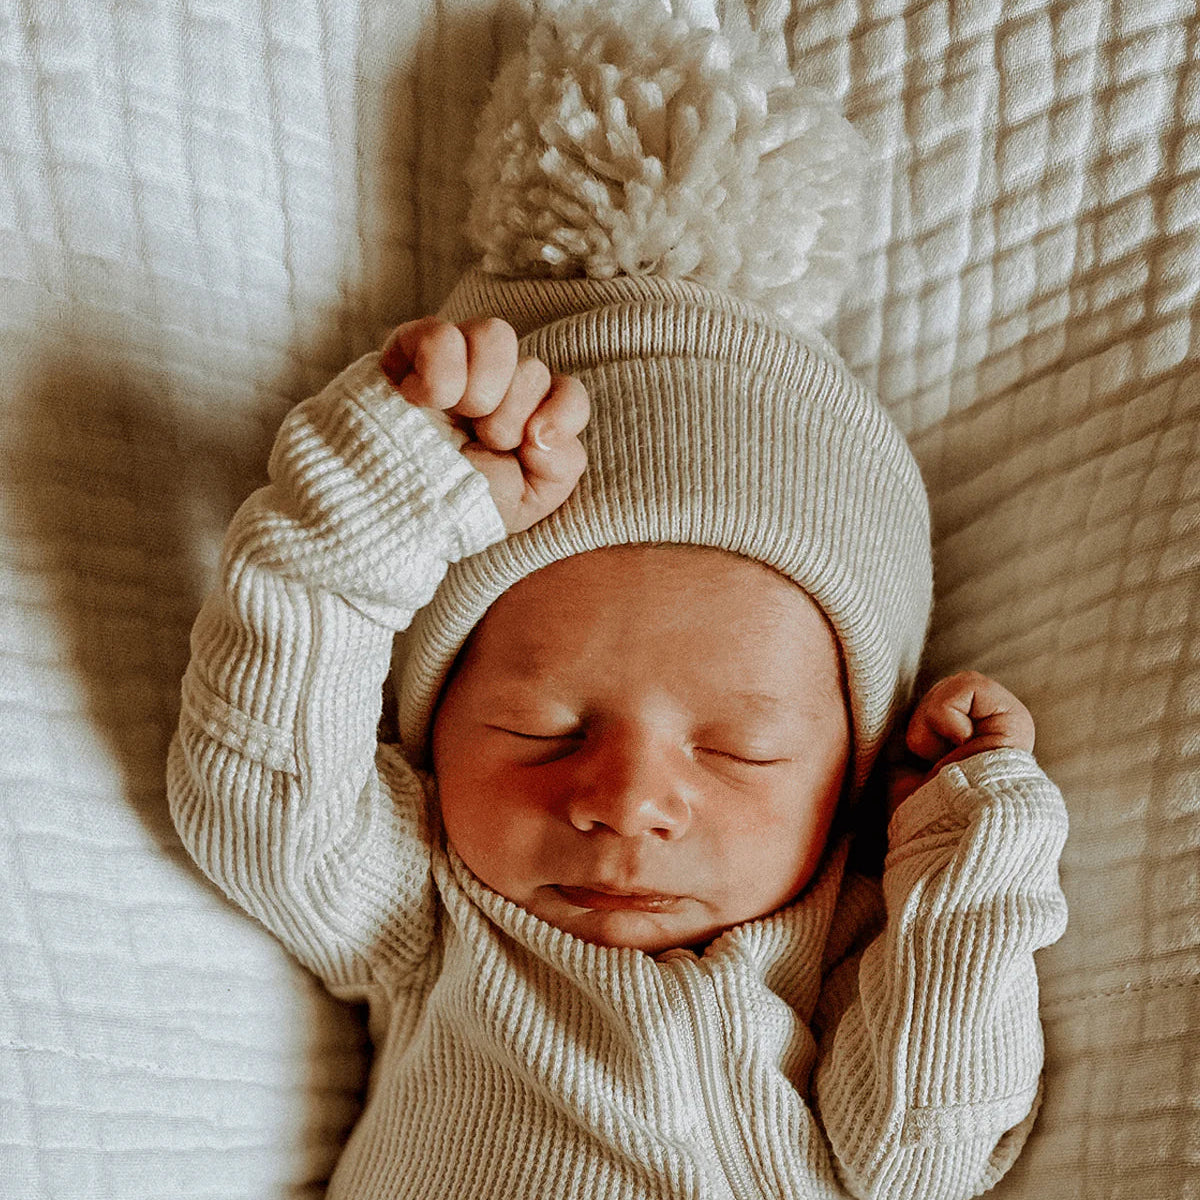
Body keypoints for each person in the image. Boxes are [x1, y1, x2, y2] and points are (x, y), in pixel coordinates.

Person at [168, 3, 1068, 1197]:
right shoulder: (428, 917)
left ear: (851, 772)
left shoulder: (848, 951)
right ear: (435, 725)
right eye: (541, 728)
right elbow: (254, 789)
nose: (627, 802)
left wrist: (966, 857)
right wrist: (380, 500)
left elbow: (927, 1159)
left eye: (740, 750)